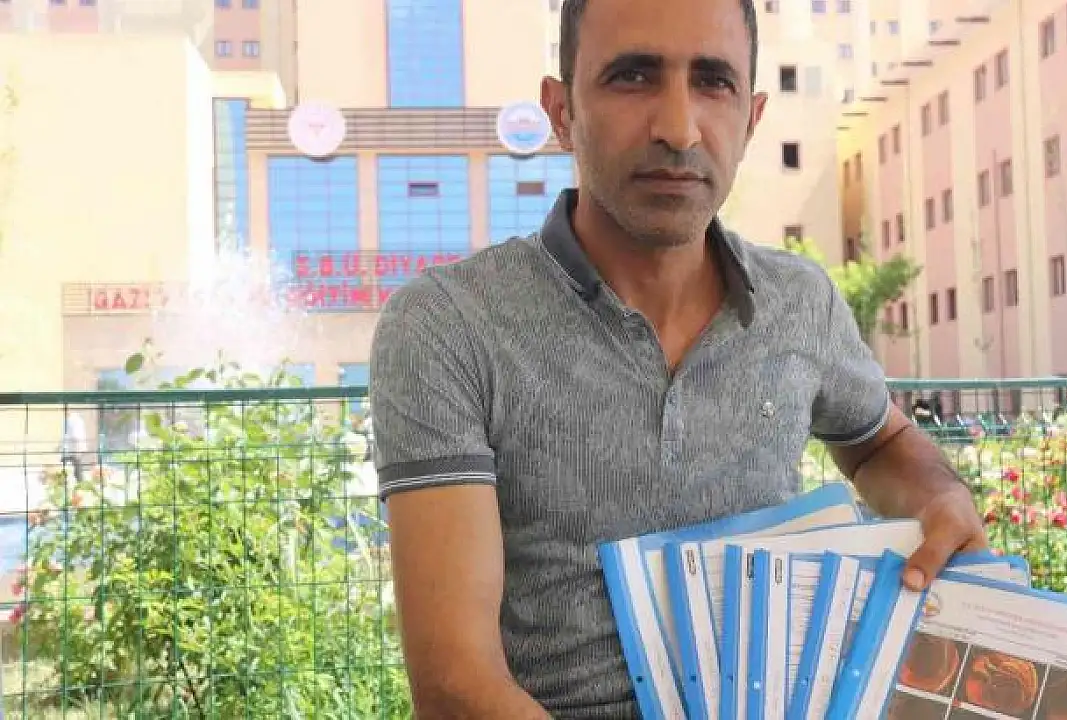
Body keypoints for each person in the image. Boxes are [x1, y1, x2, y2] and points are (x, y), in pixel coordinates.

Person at [367, 0, 987, 716]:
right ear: (562, 111)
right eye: (633, 76)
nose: (679, 128)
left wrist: (939, 496)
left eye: (713, 82)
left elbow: (878, 442)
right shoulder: (449, 324)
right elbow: (456, 685)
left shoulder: (799, 301)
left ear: (751, 119)